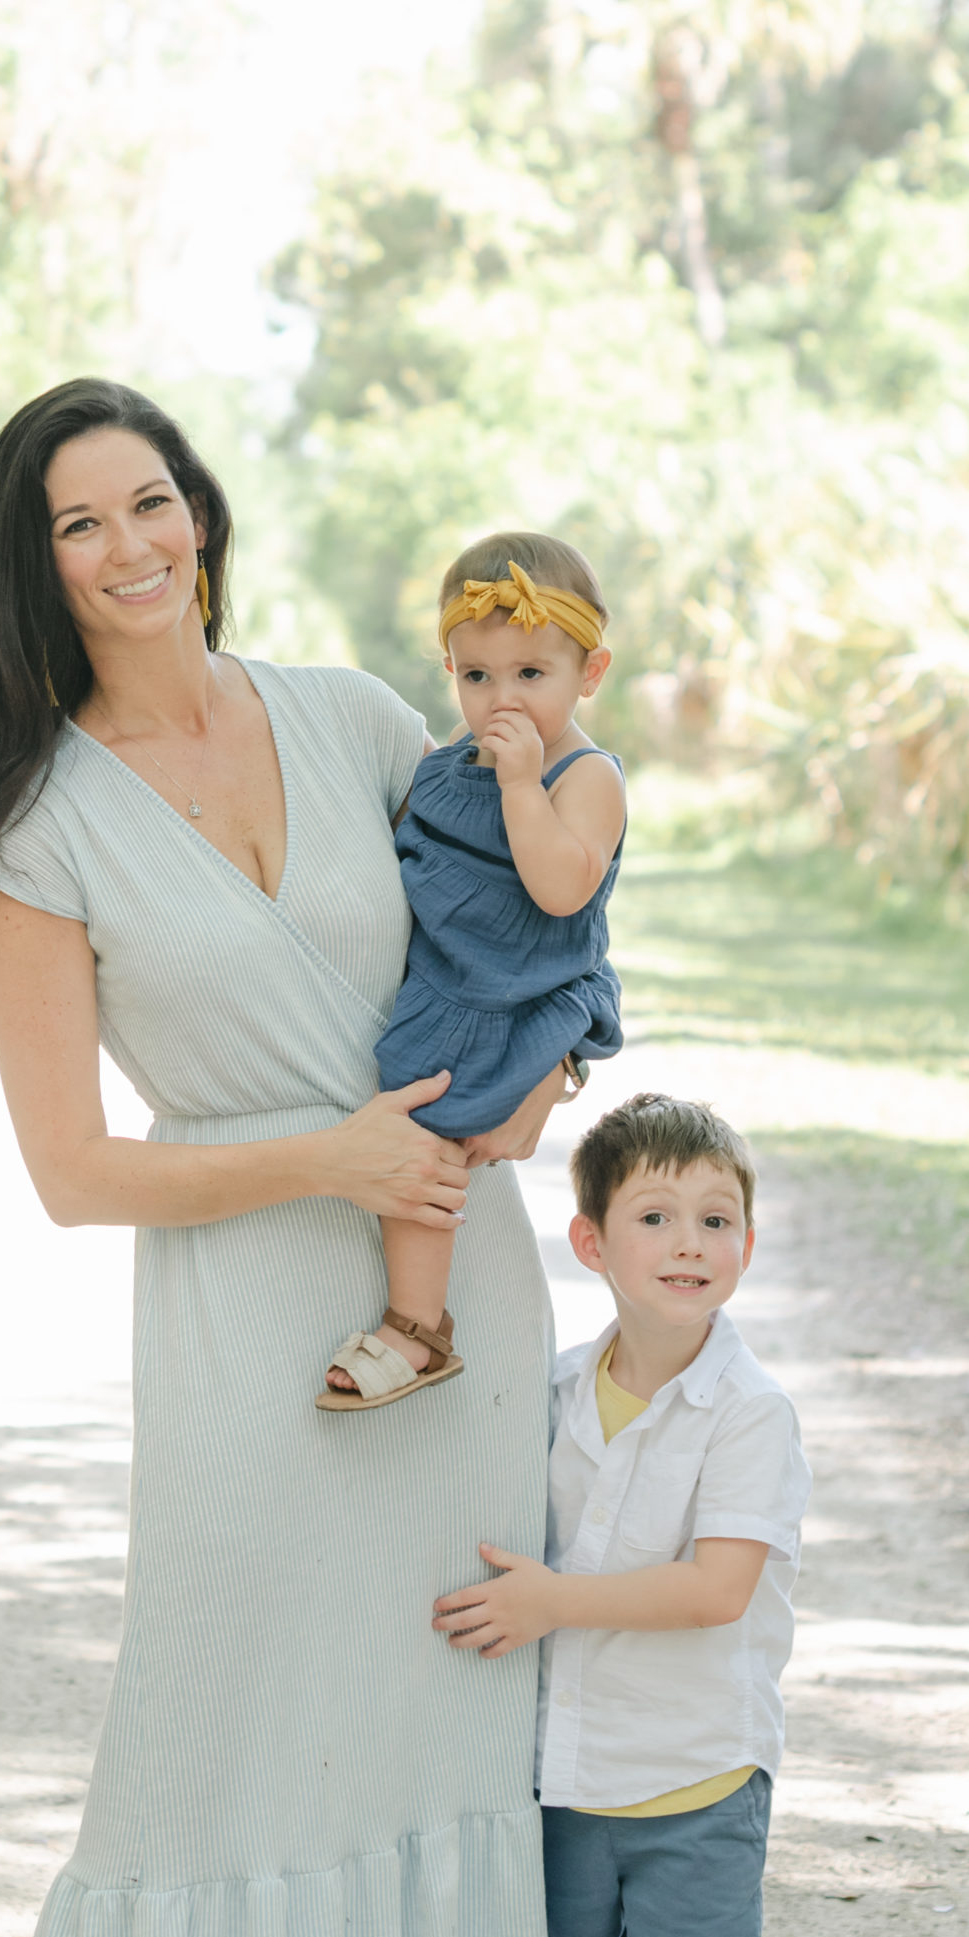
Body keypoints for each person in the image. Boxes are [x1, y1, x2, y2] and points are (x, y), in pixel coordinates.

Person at [0, 378, 576, 1937]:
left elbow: (509, 933)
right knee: (183, 1746)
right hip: (243, 1313)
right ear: (34, 570)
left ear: (199, 510)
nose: (130, 544)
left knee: (407, 1739)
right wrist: (325, 1156)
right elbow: (69, 1169)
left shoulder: (360, 715)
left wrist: (525, 1089)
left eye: (151, 499)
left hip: (452, 1299)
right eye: (77, 523)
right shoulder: (39, 813)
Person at [432, 1093, 811, 1937]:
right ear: (592, 1242)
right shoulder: (551, 1392)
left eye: (716, 1218)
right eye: (655, 1216)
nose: (689, 1240)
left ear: (745, 1245)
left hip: (694, 1770)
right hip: (569, 1769)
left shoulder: (748, 1412)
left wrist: (548, 1603)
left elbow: (715, 1589)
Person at [319, 536, 625, 1411]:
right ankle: (416, 1321)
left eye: (531, 673)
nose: (501, 700)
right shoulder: (461, 753)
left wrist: (523, 789)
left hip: (504, 999)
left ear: (589, 671)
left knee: (422, 1135)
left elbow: (564, 891)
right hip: (448, 983)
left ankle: (415, 1327)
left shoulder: (583, 775)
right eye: (476, 676)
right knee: (412, 1129)